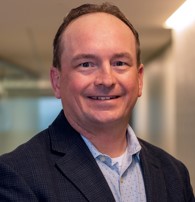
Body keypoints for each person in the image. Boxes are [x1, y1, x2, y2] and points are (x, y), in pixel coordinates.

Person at [0, 3, 194, 202]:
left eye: (119, 63)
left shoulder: (174, 174)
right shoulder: (17, 176)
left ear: (139, 79)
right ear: (57, 81)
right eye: (86, 64)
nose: (106, 80)